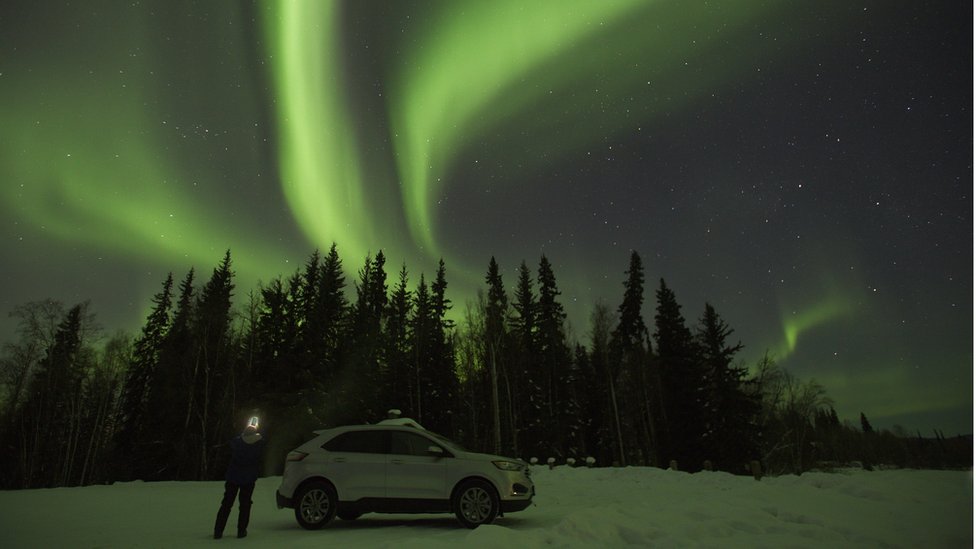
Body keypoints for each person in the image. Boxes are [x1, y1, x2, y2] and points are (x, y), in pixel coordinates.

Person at [213, 417, 266, 539]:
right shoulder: (259, 443)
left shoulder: (237, 442)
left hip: (233, 477)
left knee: (226, 504)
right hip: (249, 479)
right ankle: (241, 531)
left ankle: (218, 531)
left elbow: (232, 443)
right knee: (245, 505)